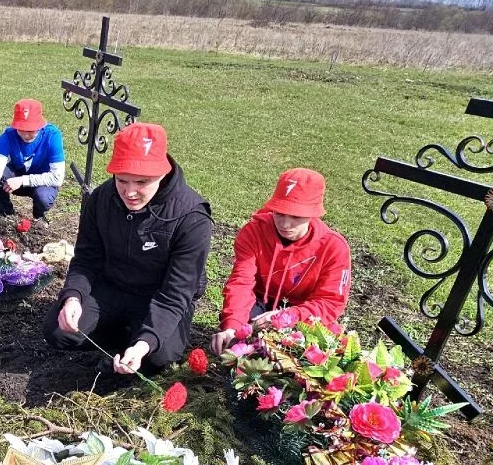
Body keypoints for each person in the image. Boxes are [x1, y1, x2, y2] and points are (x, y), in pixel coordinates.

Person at [44, 122, 212, 375]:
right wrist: (73, 297)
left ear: (162, 174)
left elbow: (176, 293)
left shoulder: (192, 217)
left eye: (142, 182)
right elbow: (86, 259)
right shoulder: (101, 198)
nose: (130, 192)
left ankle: (136, 340)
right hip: (112, 288)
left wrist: (145, 344)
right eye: (122, 180)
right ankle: (121, 337)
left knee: (159, 357)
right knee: (58, 332)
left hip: (158, 296)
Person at [212, 168, 352, 355]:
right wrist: (232, 325)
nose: (285, 224)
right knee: (243, 348)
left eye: (296, 216)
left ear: (313, 214)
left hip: (304, 315)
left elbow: (330, 302)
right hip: (259, 303)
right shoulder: (254, 232)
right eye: (279, 213)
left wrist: (287, 316)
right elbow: (241, 282)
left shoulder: (334, 247)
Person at [0, 99, 66, 221]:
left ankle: (38, 219)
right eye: (21, 129)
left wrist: (22, 180)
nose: (25, 135)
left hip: (42, 182)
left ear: (40, 126)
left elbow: (57, 178)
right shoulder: (8, 136)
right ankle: (6, 215)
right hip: (16, 176)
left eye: (30, 130)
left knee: (43, 198)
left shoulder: (52, 136)